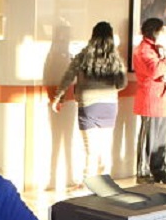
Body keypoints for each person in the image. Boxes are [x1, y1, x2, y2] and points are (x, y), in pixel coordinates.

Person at [50, 21, 127, 184]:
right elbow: (122, 83)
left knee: (90, 151)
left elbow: (68, 76)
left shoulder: (83, 55)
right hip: (109, 106)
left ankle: (87, 185)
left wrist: (59, 97)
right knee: (104, 150)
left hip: (88, 105)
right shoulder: (115, 58)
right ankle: (105, 186)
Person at [132, 17, 166, 185]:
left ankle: (159, 169)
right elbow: (155, 70)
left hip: (165, 99)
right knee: (149, 138)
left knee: (161, 138)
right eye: (163, 31)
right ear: (154, 32)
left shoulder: (159, 48)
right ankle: (144, 172)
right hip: (151, 100)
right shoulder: (144, 49)